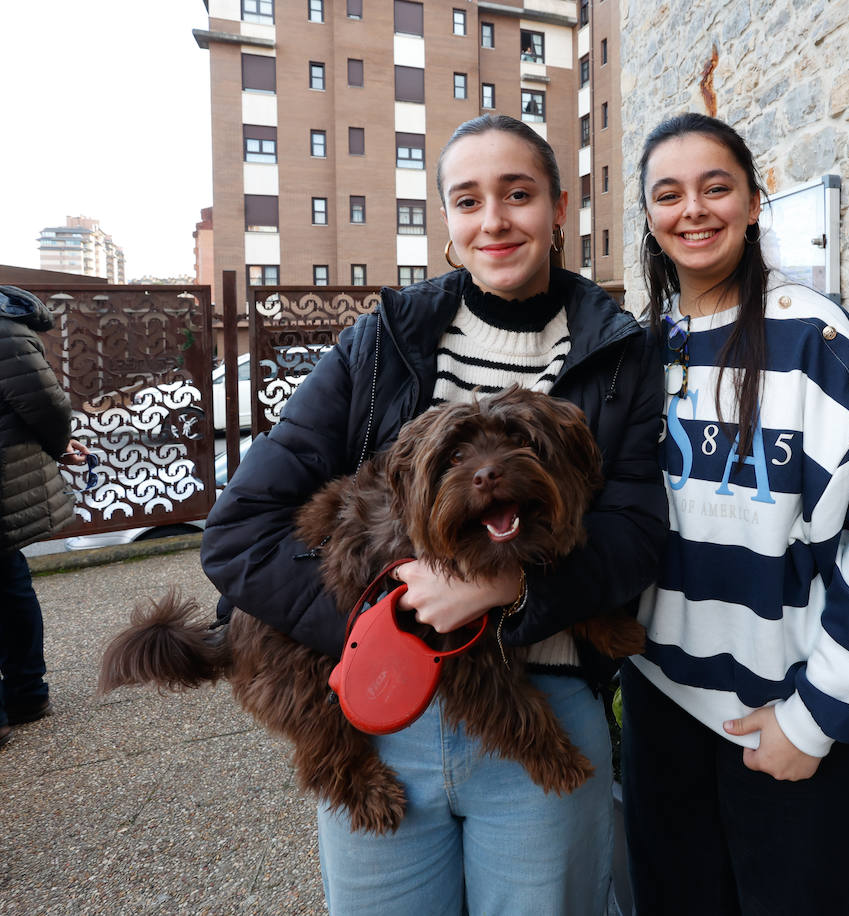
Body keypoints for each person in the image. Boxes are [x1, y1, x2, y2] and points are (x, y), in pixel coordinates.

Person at [200, 115, 666, 915]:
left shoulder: (619, 352)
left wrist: (508, 592)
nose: (495, 219)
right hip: (383, 713)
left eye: (518, 194)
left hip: (546, 697)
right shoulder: (382, 343)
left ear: (559, 208)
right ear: (447, 221)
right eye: (468, 199)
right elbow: (238, 533)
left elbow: (633, 535)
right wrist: (394, 622)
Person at [621, 113, 849, 915]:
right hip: (662, 706)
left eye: (715, 186)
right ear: (651, 219)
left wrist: (818, 717)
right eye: (669, 194)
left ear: (755, 202)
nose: (692, 209)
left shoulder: (817, 341)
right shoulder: (643, 353)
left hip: (785, 716)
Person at [0, 285, 90, 751]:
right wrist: (58, 445)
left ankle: (24, 696)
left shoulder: (6, 332)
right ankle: (26, 695)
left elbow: (47, 405)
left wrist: (59, 445)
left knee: (12, 586)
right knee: (12, 586)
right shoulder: (10, 331)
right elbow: (46, 403)